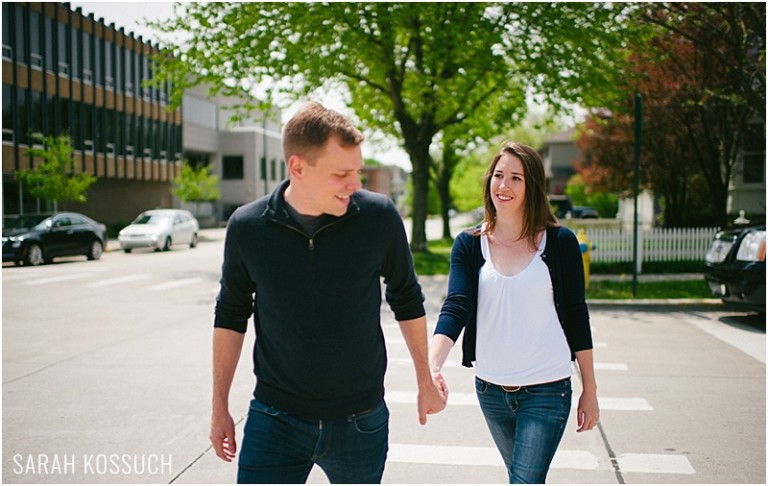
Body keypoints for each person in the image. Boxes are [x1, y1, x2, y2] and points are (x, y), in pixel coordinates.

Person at [211, 102, 447, 484]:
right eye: (342, 174)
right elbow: (230, 315)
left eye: (357, 171)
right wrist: (219, 405)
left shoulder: (378, 217)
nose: (355, 184)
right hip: (275, 418)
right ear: (298, 167)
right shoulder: (248, 227)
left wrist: (425, 378)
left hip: (361, 421)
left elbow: (407, 298)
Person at [428, 141, 599, 484]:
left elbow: (577, 316)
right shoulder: (469, 244)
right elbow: (456, 306)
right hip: (490, 389)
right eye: (498, 175)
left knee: (524, 481)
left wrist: (590, 390)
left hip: (547, 388)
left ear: (531, 186)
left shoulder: (560, 243)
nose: (503, 186)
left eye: (516, 178)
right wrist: (430, 368)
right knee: (521, 477)